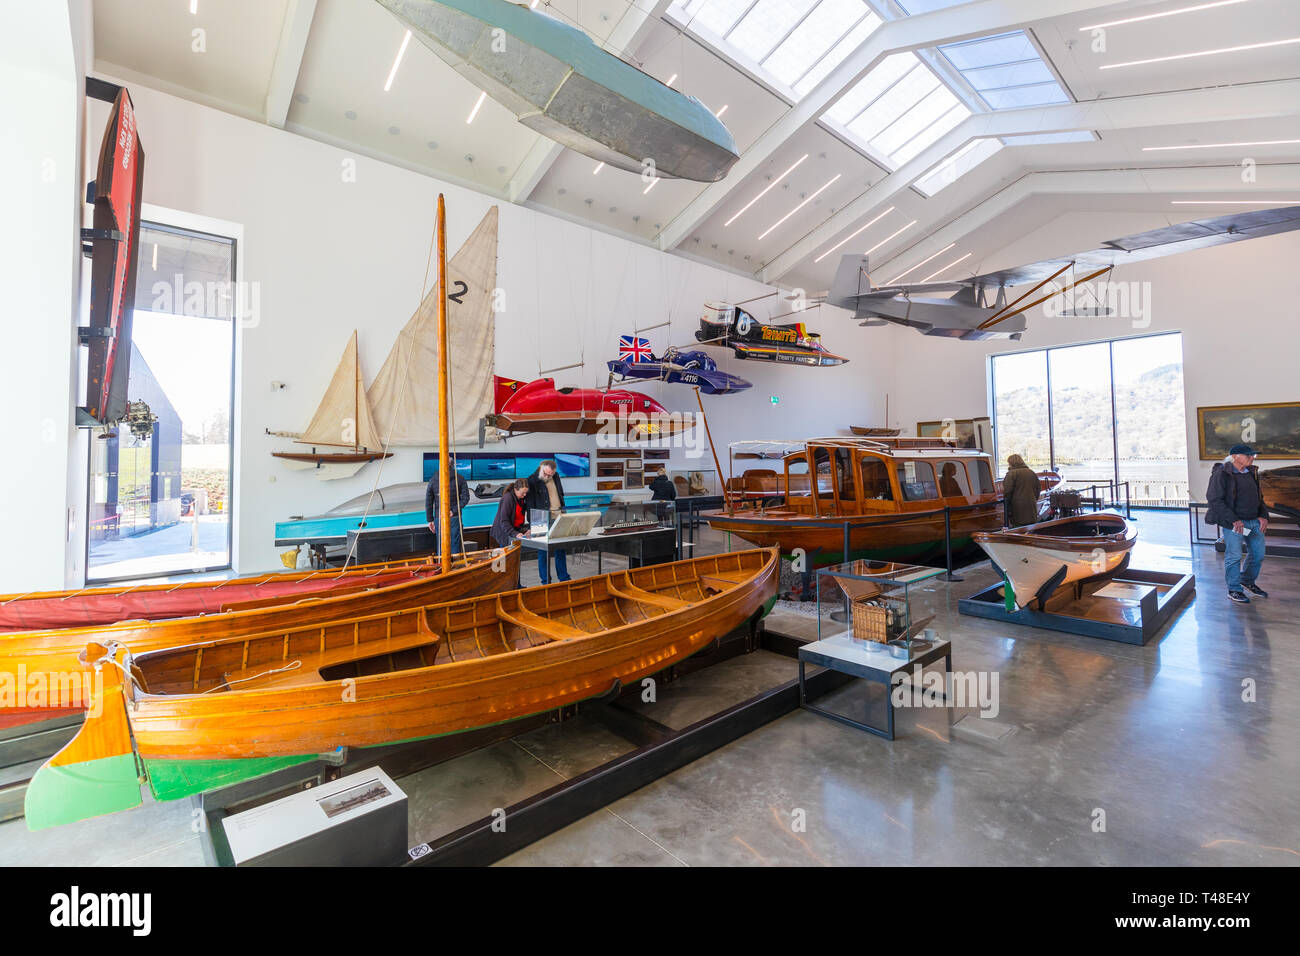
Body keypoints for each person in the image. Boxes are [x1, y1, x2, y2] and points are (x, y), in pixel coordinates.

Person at [1206, 443, 1270, 604]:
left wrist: (1263, 516)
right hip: (1235, 524)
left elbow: (1259, 497)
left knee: (1258, 554)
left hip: (1254, 522)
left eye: (1253, 456)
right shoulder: (1221, 474)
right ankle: (1234, 589)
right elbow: (1214, 499)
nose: (1252, 458)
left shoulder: (1251, 473)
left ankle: (1247, 581)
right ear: (1235, 456)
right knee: (1234, 556)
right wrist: (1234, 519)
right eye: (1248, 455)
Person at [527, 459, 570, 583]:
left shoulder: (556, 476)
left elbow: (560, 495)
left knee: (561, 549)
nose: (547, 476)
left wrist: (564, 513)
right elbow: (530, 505)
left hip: (559, 517)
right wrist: (532, 525)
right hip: (540, 519)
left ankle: (564, 577)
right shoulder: (532, 480)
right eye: (545, 474)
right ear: (541, 467)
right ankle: (545, 580)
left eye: (550, 475)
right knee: (543, 552)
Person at [425, 459, 471, 555]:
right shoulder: (460, 478)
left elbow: (429, 501)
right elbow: (466, 498)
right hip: (454, 517)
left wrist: (430, 520)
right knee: (455, 544)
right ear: (452, 465)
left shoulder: (433, 480)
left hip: (439, 517)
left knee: (441, 545)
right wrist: (453, 511)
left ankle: (442, 567)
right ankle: (455, 567)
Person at [490, 478, 531, 549]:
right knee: (506, 557)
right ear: (515, 489)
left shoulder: (521, 498)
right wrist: (515, 533)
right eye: (522, 493)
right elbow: (504, 521)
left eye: (526, 493)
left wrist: (525, 531)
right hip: (504, 532)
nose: (524, 495)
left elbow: (518, 519)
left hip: (514, 530)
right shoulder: (508, 498)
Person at [1001, 454, 1040, 527]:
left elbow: (1007, 491)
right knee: (1031, 528)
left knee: (1019, 528)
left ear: (1011, 463)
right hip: (1031, 505)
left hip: (1017, 507)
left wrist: (1007, 505)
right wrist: (1034, 499)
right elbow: (1038, 489)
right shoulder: (1031, 472)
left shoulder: (1011, 474)